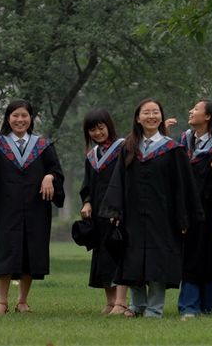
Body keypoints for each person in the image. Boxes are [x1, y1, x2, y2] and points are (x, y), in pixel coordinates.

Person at [99, 98, 203, 318]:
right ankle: (138, 305)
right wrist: (115, 210)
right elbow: (118, 180)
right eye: (146, 112)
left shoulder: (173, 149)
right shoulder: (128, 147)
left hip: (162, 216)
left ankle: (154, 308)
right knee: (133, 259)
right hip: (133, 214)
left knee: (158, 260)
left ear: (161, 117)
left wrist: (183, 217)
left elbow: (182, 187)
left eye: (155, 112)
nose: (151, 116)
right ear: (138, 118)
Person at [0, 99, 65, 315]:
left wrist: (49, 177)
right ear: (8, 118)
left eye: (24, 115)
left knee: (30, 252)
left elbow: (57, 171)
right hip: (4, 209)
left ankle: (22, 301)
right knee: (3, 251)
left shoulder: (42, 145)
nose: (20, 120)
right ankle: (2, 301)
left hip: (35, 209)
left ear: (30, 118)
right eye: (15, 115)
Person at [176, 100, 212, 318]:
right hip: (189, 208)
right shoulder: (184, 141)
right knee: (190, 254)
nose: (191, 111)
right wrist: (208, 166)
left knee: (210, 255)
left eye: (196, 109)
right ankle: (188, 306)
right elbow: (181, 174)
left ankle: (207, 306)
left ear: (208, 116)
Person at [78, 108, 129, 315]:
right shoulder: (92, 156)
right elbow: (87, 185)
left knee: (119, 254)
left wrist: (120, 210)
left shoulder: (124, 148)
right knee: (103, 257)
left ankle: (121, 302)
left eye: (101, 128)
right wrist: (87, 202)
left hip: (118, 212)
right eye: (92, 130)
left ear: (109, 126)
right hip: (99, 214)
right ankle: (109, 302)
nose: (98, 133)